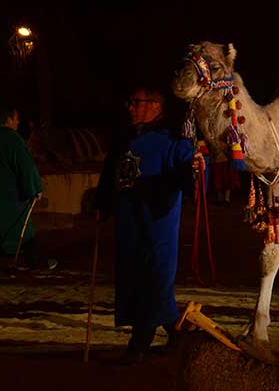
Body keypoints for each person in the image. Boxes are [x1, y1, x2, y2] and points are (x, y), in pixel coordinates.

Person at [95, 86, 197, 364]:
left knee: (155, 278)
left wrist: (194, 171)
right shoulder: (124, 140)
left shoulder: (173, 142)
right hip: (128, 223)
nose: (130, 107)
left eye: (136, 102)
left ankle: (140, 342)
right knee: (136, 278)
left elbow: (189, 179)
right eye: (130, 102)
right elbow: (110, 174)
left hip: (158, 223)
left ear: (156, 106)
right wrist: (103, 203)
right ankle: (176, 335)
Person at [0, 106, 54, 276]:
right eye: (16, 118)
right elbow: (26, 166)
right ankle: (34, 262)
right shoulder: (13, 139)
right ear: (9, 119)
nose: (18, 122)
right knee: (23, 229)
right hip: (12, 196)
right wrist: (35, 189)